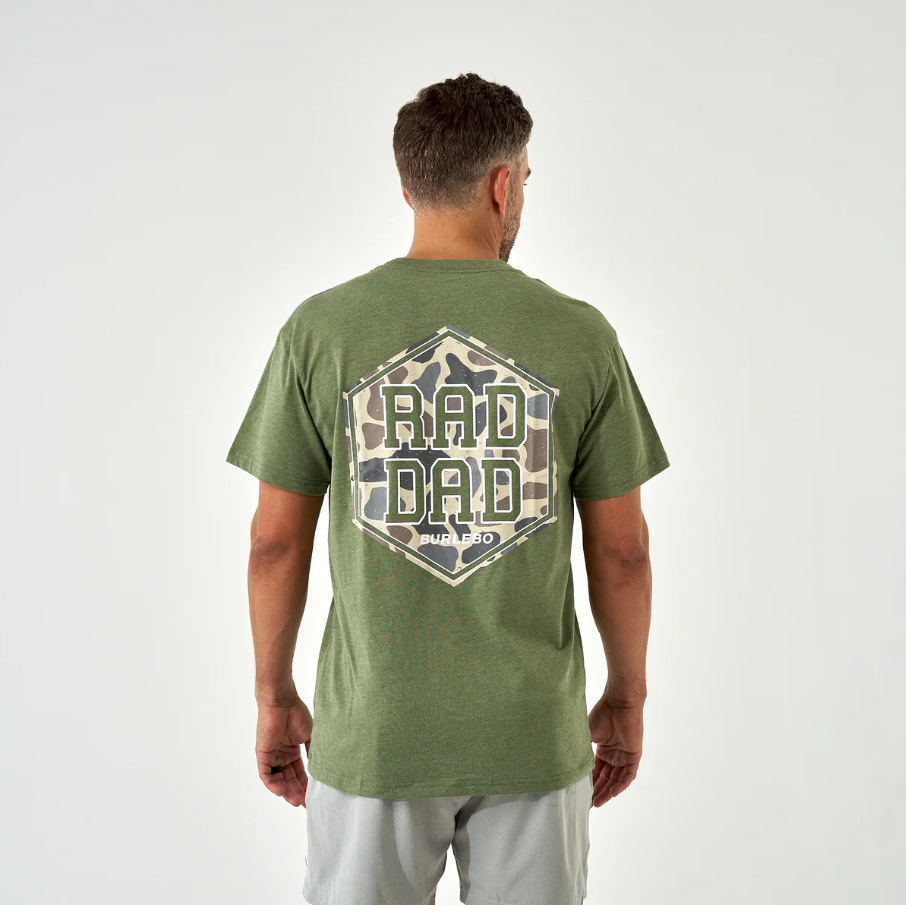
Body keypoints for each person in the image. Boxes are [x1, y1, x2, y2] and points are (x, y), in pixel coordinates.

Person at [226, 72, 670, 905]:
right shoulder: (581, 337)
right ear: (503, 186)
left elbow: (273, 542)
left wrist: (273, 695)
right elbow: (624, 552)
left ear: (408, 187)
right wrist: (627, 696)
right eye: (526, 179)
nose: (524, 193)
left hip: (375, 734)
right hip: (531, 737)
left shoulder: (321, 331)